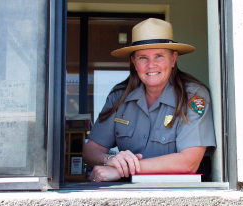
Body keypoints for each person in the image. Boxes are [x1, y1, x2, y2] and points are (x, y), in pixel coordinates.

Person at [83, 18, 216, 182]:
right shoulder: (119, 96)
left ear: (173, 59)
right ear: (134, 62)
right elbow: (91, 149)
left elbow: (189, 162)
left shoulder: (193, 96)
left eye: (159, 56)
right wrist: (110, 161)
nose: (151, 65)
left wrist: (124, 170)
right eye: (143, 57)